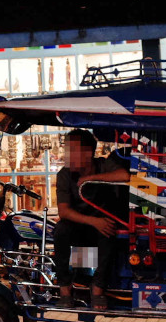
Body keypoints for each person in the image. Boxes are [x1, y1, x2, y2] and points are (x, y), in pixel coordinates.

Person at [53, 129, 130, 310]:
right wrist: (94, 221)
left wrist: (91, 178)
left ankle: (97, 290)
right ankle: (65, 290)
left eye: (72, 150)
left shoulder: (104, 164)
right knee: (61, 230)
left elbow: (124, 176)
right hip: (80, 227)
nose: (67, 155)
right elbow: (64, 212)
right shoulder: (64, 175)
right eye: (66, 150)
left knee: (109, 229)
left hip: (101, 228)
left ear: (88, 152)